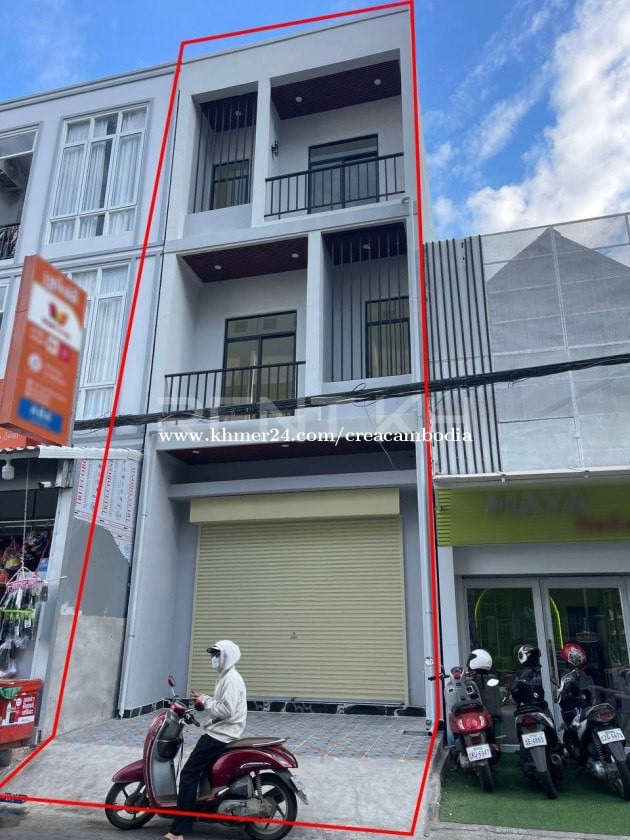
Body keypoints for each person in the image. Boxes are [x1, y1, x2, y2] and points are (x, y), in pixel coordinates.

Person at [165, 639, 247, 840]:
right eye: (212, 654)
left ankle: (179, 830)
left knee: (188, 774)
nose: (213, 658)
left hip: (221, 734)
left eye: (217, 654)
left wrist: (204, 699)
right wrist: (203, 699)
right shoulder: (225, 676)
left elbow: (226, 710)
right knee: (198, 772)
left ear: (227, 656)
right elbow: (221, 705)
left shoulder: (231, 680)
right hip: (221, 731)